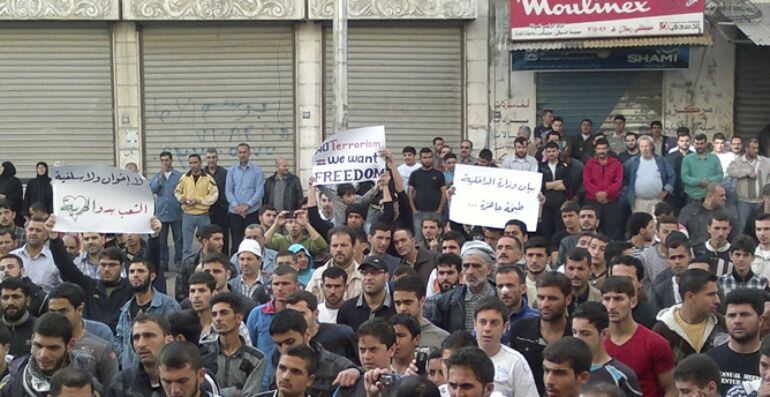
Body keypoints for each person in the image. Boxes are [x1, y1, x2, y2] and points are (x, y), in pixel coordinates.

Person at [602, 276, 676, 397]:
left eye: (618, 299)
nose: (611, 306)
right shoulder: (596, 343)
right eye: (606, 299)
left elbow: (671, 389)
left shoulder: (655, 343)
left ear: (633, 302)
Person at [507, 272, 573, 395]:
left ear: (568, 299)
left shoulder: (575, 334)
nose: (545, 304)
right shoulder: (519, 330)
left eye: (552, 298)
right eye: (541, 297)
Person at [1, 313, 97, 397]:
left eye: (53, 348)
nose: (43, 355)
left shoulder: (91, 386)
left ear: (70, 345)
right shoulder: (11, 386)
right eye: (38, 345)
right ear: (32, 339)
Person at [269, 309, 360, 397]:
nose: (284, 349)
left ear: (307, 335)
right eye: (279, 344)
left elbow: (366, 377)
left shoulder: (335, 366)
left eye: (290, 342)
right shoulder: (276, 357)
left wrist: (355, 371)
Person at [115, 255, 181, 369]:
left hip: (161, 370)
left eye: (140, 271)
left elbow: (177, 340)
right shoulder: (126, 309)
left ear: (152, 276)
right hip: (131, 374)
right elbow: (119, 339)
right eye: (131, 271)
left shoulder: (169, 305)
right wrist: (124, 357)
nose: (135, 275)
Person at [47, 282, 118, 388]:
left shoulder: (101, 342)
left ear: (80, 310)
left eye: (63, 311)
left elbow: (112, 389)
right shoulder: (42, 342)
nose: (57, 317)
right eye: (52, 311)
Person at [653, 268, 725, 361]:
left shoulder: (722, 324)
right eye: (711, 294)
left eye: (716, 294)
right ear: (690, 297)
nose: (717, 300)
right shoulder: (662, 331)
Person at [571, 302, 642, 396]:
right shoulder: (565, 370)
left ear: (605, 334)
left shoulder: (621, 376)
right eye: (574, 332)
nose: (577, 338)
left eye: (585, 333)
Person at [472, 297, 537, 396]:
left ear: (505, 327)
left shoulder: (516, 362)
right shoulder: (462, 358)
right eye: (483, 322)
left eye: (494, 323)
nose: (487, 328)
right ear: (475, 324)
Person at [707, 288, 764, 395]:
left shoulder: (767, 362)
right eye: (732, 315)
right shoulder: (709, 360)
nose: (737, 321)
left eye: (744, 315)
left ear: (760, 320)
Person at [431, 242, 496, 333]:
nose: (470, 271)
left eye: (476, 266)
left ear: (489, 269)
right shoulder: (447, 301)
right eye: (466, 266)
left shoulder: (500, 297)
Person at [209, 292, 266, 397]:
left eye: (224, 313)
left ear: (238, 318)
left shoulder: (256, 359)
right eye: (214, 314)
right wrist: (234, 392)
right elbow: (203, 391)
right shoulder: (204, 353)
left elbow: (250, 395)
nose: (218, 319)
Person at [284, 290, 357, 363]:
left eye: (302, 314)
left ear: (316, 313)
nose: (296, 319)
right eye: (291, 314)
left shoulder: (342, 334)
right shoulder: (284, 342)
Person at [175, 153, 220, 260]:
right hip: (188, 215)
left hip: (203, 215)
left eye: (195, 162)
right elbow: (177, 191)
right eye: (190, 163)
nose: (193, 165)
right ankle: (186, 266)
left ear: (200, 163)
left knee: (207, 242)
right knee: (187, 245)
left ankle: (206, 263)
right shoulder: (184, 177)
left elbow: (214, 195)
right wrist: (181, 198)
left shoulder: (208, 178)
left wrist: (199, 200)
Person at [306, 227, 363, 305]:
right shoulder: (318, 275)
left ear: (353, 248)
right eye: (335, 246)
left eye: (344, 245)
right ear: (330, 248)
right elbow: (308, 303)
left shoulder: (363, 276)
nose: (339, 249)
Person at [226, 143, 266, 254]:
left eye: (244, 152)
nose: (242, 155)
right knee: (236, 241)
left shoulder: (257, 171)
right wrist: (237, 206)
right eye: (240, 152)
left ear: (249, 153)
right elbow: (228, 191)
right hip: (235, 212)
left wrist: (247, 205)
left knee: (253, 240)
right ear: (237, 154)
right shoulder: (231, 171)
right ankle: (235, 264)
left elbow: (260, 191)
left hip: (252, 212)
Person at [337, 257, 395, 332]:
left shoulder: (396, 307)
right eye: (364, 273)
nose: (368, 278)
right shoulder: (347, 309)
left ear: (386, 277)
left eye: (374, 273)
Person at [392, 275, 449, 350]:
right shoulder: (386, 335)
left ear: (422, 301)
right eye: (398, 303)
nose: (402, 308)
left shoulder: (441, 338)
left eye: (408, 302)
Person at [583, 138, 624, 240]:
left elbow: (618, 182)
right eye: (599, 149)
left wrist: (606, 193)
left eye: (604, 148)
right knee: (592, 230)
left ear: (608, 149)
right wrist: (597, 194)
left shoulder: (616, 163)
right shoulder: (589, 164)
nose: (601, 151)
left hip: (611, 202)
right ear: (595, 150)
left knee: (611, 231)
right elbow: (586, 182)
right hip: (593, 202)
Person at [150, 151, 183, 271]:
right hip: (161, 213)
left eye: (167, 160)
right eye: (162, 161)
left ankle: (179, 261)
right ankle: (163, 262)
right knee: (162, 241)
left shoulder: (179, 176)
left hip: (176, 212)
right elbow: (152, 189)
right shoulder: (157, 176)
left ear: (171, 160)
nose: (165, 163)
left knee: (178, 240)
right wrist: (160, 177)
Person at [729, 138, 770, 233]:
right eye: (753, 148)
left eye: (757, 148)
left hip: (761, 201)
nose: (756, 150)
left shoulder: (765, 161)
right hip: (744, 202)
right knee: (743, 226)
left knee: (763, 225)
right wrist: (745, 172)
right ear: (747, 148)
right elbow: (731, 172)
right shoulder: (738, 162)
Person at [11, 216, 60, 294]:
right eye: (31, 229)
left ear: (46, 236)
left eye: (38, 230)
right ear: (26, 232)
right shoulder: (13, 256)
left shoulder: (55, 259)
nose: (33, 233)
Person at [608, 255, 658, 329]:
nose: (621, 283)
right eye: (616, 278)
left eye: (627, 279)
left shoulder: (652, 317)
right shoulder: (600, 313)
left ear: (640, 282)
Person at [408, 147, 447, 241]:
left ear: (432, 158)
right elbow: (410, 193)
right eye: (424, 157)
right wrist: (413, 210)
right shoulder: (415, 174)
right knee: (419, 238)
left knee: (437, 238)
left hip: (435, 212)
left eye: (429, 157)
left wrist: (440, 210)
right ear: (420, 159)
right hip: (419, 212)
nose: (427, 160)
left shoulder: (439, 174)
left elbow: (444, 192)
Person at [494, 265, 537, 345]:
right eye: (500, 286)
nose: (504, 291)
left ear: (523, 289)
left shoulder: (536, 319)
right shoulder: (488, 319)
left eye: (510, 286)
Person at [540, 141, 573, 241]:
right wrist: (557, 182)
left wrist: (549, 184)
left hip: (560, 202)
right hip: (546, 203)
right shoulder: (541, 167)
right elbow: (542, 186)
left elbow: (566, 185)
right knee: (546, 230)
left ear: (558, 151)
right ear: (545, 152)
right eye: (549, 151)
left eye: (553, 151)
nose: (551, 153)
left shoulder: (564, 167)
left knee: (560, 229)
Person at [682, 133, 724, 202]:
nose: (699, 146)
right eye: (697, 144)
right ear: (693, 144)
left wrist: (709, 181)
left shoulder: (714, 158)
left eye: (701, 143)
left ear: (706, 144)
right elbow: (684, 177)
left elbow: (720, 175)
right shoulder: (687, 159)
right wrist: (699, 182)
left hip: (710, 196)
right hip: (692, 196)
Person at [0, 277, 36, 358]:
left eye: (16, 297)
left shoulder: (38, 328)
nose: (10, 302)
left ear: (28, 300)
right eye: (5, 298)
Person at [228, 239, 270, 305]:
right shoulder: (231, 285)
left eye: (249, 259)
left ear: (259, 261)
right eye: (242, 259)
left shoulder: (269, 284)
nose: (245, 263)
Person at [639, 215, 679, 284]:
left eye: (673, 232)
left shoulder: (686, 253)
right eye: (665, 232)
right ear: (657, 234)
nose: (669, 235)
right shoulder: (646, 256)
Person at [692, 212, 734, 277]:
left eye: (724, 229)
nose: (721, 233)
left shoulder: (735, 253)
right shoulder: (695, 251)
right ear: (709, 229)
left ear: (729, 230)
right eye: (717, 228)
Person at [666, 128, 694, 210]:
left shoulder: (694, 156)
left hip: (690, 193)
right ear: (677, 142)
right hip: (674, 193)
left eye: (687, 141)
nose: (684, 143)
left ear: (690, 141)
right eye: (682, 141)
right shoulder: (670, 157)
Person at [523, 237, 549, 306]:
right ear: (524, 257)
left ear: (548, 259)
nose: (534, 260)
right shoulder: (518, 284)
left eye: (539, 255)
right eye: (530, 255)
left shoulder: (556, 285)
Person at [0, 162, 23, 227]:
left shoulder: (15, 181)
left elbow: (18, 195)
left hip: (13, 208)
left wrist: (5, 197)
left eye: (1, 167)